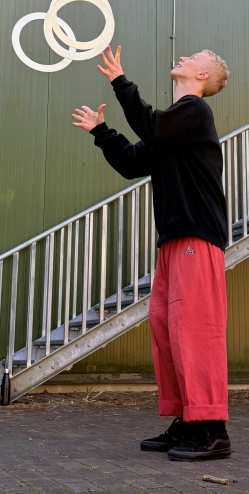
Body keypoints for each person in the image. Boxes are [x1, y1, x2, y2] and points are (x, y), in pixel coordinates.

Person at [72, 46, 231, 461]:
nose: (183, 56)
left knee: (195, 332)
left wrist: (120, 82)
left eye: (194, 56)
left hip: (198, 236)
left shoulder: (195, 113)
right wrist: (101, 131)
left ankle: (212, 429)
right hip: (172, 240)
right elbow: (131, 162)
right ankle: (187, 419)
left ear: (202, 75)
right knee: (168, 331)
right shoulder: (171, 128)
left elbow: (151, 125)